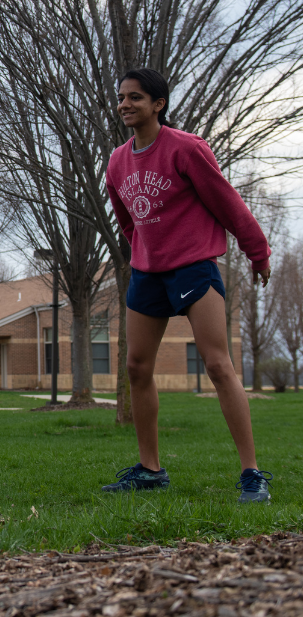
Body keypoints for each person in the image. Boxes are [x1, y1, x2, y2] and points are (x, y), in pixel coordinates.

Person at [104, 68, 272, 503]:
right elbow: (126, 217)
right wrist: (143, 251)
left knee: (218, 365)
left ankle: (252, 474)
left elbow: (226, 201)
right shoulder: (117, 161)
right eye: (122, 97)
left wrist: (258, 251)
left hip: (193, 267)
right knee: (137, 368)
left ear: (158, 104)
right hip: (147, 273)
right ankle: (150, 470)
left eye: (135, 98)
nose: (125, 104)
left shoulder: (187, 149)